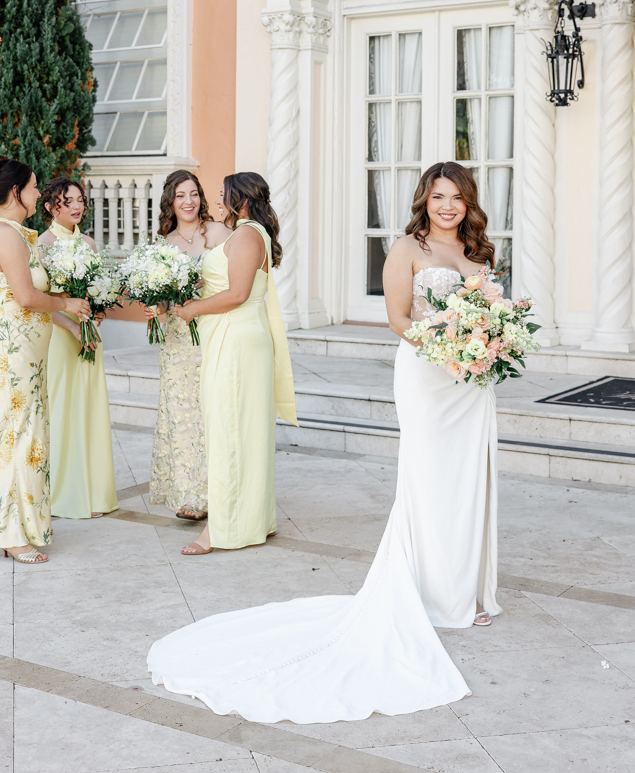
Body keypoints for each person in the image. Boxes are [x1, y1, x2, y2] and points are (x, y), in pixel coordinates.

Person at [147, 162, 498, 722]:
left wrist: (489, 344)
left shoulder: (480, 253)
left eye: (457, 197)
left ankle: (468, 588)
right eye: (438, 197)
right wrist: (448, 347)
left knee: (470, 478)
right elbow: (398, 318)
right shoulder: (407, 249)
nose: (448, 206)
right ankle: (430, 591)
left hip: (471, 385)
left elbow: (490, 314)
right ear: (424, 201)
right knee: (429, 479)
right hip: (428, 376)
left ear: (469, 201)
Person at [170, 172, 298, 555]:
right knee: (246, 431)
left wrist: (193, 309)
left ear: (240, 199)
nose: (217, 201)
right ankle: (254, 520)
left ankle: (219, 530)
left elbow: (238, 293)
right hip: (240, 336)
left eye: (223, 195)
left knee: (228, 430)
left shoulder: (245, 235)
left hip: (236, 339)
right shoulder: (251, 233)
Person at [0, 155, 90, 565]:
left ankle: (27, 526)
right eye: (34, 187)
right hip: (11, 354)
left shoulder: (18, 233)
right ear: (16, 191)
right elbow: (26, 297)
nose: (39, 192)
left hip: (27, 355)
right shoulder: (4, 234)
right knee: (14, 436)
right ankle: (11, 534)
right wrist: (67, 303)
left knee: (29, 436)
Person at [143, 170, 229, 521]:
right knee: (182, 414)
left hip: (212, 330)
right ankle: (189, 494)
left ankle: (217, 491)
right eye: (180, 195)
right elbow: (162, 300)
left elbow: (234, 283)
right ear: (170, 201)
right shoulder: (163, 244)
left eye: (194, 193)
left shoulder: (219, 233)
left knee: (212, 410)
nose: (189, 201)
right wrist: (155, 307)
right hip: (178, 339)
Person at [38, 177, 119, 521]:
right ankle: (62, 494)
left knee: (90, 408)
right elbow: (40, 301)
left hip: (88, 334)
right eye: (67, 201)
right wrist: (71, 325)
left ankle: (94, 492)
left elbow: (97, 291)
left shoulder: (89, 243)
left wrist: (96, 316)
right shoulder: (42, 244)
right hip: (59, 335)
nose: (76, 206)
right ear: (49, 207)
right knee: (62, 408)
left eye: (79, 200)